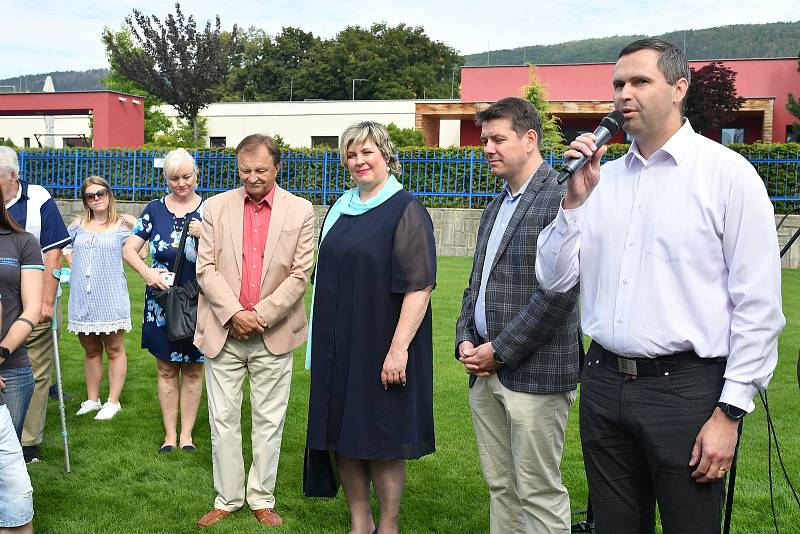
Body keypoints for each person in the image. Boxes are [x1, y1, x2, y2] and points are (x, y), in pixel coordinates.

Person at [536, 38, 785, 534]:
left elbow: (757, 305)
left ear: (678, 88)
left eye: (639, 81)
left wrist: (730, 411)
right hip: (605, 382)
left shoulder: (728, 176)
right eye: (618, 84)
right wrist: (573, 205)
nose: (624, 94)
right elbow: (554, 278)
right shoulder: (599, 180)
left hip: (686, 392)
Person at [454, 97, 580, 534]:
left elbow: (559, 295)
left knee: (538, 493)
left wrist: (501, 352)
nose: (487, 147)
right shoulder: (496, 205)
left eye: (498, 139)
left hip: (536, 375)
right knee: (501, 488)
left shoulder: (561, 197)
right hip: (485, 373)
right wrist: (465, 339)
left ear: (530, 139)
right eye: (484, 139)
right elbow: (476, 285)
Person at [306, 121, 436, 534]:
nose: (359, 161)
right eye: (351, 154)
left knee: (380, 437)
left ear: (386, 155)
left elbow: (420, 286)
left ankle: (388, 525)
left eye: (367, 152)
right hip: (339, 346)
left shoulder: (405, 209)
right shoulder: (340, 208)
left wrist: (399, 350)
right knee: (344, 434)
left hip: (382, 344)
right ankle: (359, 522)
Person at [194, 134, 314, 528]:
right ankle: (227, 498)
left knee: (269, 420)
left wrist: (259, 315)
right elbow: (205, 269)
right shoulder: (215, 207)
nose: (253, 178)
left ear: (277, 167)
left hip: (273, 334)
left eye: (261, 170)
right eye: (245, 171)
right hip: (223, 332)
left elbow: (300, 275)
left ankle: (261, 497)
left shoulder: (300, 210)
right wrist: (234, 314)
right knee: (222, 419)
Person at [123, 148, 205, 452]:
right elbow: (130, 249)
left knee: (195, 368)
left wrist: (204, 233)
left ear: (196, 175)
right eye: (174, 178)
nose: (181, 183)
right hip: (162, 302)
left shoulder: (210, 210)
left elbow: (227, 254)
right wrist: (146, 273)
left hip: (198, 302)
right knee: (166, 368)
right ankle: (170, 436)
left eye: (186, 176)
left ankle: (187, 436)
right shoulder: (153, 210)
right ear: (166, 178)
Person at [0, 146, 69, 464]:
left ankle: (28, 441)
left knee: (36, 370)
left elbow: (53, 252)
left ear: (12, 176)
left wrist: (44, 301)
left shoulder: (38, 198)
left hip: (33, 302)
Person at [67, 176, 135, 420]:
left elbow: (142, 252)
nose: (96, 198)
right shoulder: (77, 226)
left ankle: (113, 401)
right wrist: (71, 262)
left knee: (115, 349)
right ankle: (92, 399)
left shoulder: (121, 226)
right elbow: (63, 248)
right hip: (83, 298)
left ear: (109, 195)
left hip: (110, 295)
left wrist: (136, 225)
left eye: (100, 193)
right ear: (85, 200)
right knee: (91, 350)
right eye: (90, 195)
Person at [0, 181, 44, 442]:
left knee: (6, 453)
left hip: (12, 367)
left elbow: (32, 309)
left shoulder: (23, 242)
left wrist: (2, 352)